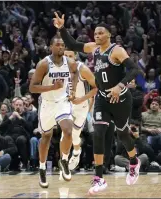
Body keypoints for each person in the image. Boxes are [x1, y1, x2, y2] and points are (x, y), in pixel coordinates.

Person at [54, 12, 141, 194]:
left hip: (121, 98)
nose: (97, 36)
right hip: (102, 97)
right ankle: (99, 178)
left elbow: (134, 69)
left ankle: (134, 161)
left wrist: (120, 85)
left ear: (109, 34)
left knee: (123, 135)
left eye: (101, 33)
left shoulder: (116, 50)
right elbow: (72, 45)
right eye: (96, 33)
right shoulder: (94, 48)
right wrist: (62, 28)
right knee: (98, 133)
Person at [29, 35, 78, 188]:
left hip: (62, 101)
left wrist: (73, 90)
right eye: (57, 45)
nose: (61, 47)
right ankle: (42, 168)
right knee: (46, 137)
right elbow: (32, 88)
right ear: (51, 47)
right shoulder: (43, 64)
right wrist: (52, 87)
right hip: (47, 103)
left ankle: (64, 159)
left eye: (63, 45)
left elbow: (76, 73)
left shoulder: (69, 62)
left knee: (68, 131)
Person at [63, 50, 97, 171]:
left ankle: (77, 151)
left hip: (82, 106)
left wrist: (81, 99)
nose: (67, 58)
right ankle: (65, 160)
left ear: (75, 57)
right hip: (67, 106)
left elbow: (96, 88)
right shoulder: (58, 70)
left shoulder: (82, 69)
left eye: (70, 56)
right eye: (65, 56)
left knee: (75, 135)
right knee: (65, 134)